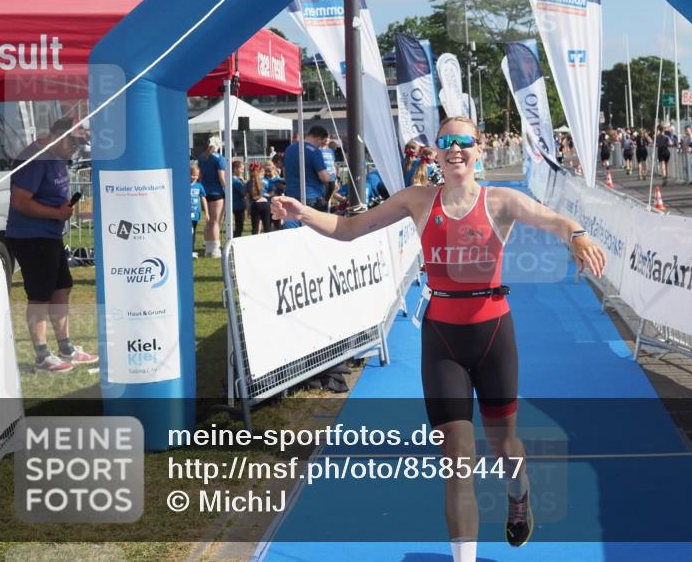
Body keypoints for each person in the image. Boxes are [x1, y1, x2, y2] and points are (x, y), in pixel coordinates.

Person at [270, 116, 607, 562]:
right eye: (446, 142)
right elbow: (351, 229)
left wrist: (578, 236)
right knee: (457, 458)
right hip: (442, 340)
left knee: (505, 444)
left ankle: (518, 491)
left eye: (464, 142)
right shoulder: (417, 200)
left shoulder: (501, 201)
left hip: (493, 337)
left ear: (478, 149)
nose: (455, 150)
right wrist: (303, 213)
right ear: (436, 152)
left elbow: (556, 221)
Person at [5, 116, 98, 373]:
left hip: (50, 235)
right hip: (31, 237)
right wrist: (56, 214)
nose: (76, 149)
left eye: (80, 145)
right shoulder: (35, 158)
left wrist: (62, 210)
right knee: (40, 296)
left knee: (62, 288)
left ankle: (65, 347)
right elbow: (20, 201)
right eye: (74, 143)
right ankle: (42, 356)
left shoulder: (56, 157)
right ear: (58, 134)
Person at [197, 136, 228, 257]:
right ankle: (215, 249)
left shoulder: (201, 157)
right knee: (216, 222)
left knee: (209, 221)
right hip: (217, 193)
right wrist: (227, 190)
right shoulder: (219, 158)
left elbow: (200, 176)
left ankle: (208, 249)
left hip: (205, 191)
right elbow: (221, 177)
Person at [189, 164, 208, 257]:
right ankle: (188, 249)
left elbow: (203, 199)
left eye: (196, 175)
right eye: (192, 175)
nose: (194, 177)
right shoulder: (184, 185)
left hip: (195, 214)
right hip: (185, 214)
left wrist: (207, 213)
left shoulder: (199, 186)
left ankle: (192, 250)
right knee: (189, 231)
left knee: (193, 231)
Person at [246, 162, 271, 235]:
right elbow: (272, 192)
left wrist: (248, 210)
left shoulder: (248, 183)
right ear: (260, 170)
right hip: (265, 204)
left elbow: (247, 199)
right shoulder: (266, 181)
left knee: (255, 228)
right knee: (267, 228)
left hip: (255, 205)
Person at [231, 159, 247, 239]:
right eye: (241, 169)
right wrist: (245, 184)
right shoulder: (236, 181)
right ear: (235, 169)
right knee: (239, 226)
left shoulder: (231, 179)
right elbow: (243, 193)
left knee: (238, 225)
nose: (242, 171)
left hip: (234, 205)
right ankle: (235, 240)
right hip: (238, 206)